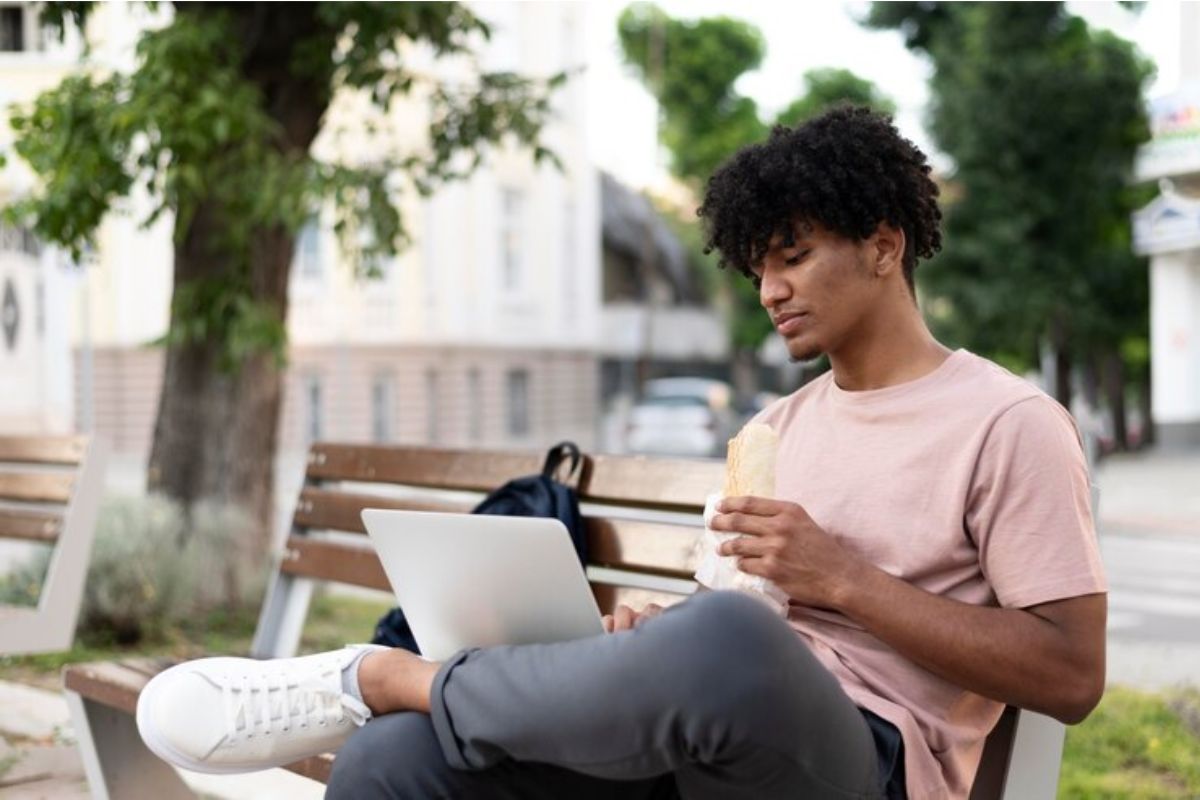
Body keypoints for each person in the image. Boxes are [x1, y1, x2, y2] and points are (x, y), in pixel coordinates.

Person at [135, 106, 1106, 799]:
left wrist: (843, 579)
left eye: (793, 254)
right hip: (699, 734)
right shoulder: (775, 429)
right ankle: (395, 700)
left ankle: (390, 673)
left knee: (729, 644)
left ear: (886, 244)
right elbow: (733, 622)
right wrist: (657, 633)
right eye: (757, 263)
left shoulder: (1008, 421)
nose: (769, 288)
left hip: (862, 758)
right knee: (391, 765)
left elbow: (1072, 674)